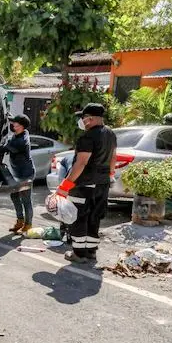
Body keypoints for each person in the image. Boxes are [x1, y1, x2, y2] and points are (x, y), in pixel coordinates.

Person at [56, 103, 117, 263]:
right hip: (102, 184)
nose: (82, 121)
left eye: (83, 118)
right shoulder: (110, 134)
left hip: (85, 185)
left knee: (79, 217)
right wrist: (110, 175)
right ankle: (91, 251)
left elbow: (81, 163)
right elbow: (113, 157)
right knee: (94, 217)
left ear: (89, 119)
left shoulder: (87, 136)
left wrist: (65, 186)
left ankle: (79, 253)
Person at [0, 114, 36, 233]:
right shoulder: (17, 135)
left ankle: (28, 224)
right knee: (14, 196)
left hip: (26, 173)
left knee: (26, 199)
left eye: (15, 123)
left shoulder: (21, 141)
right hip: (16, 172)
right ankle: (20, 221)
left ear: (21, 126)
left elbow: (3, 149)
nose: (12, 124)